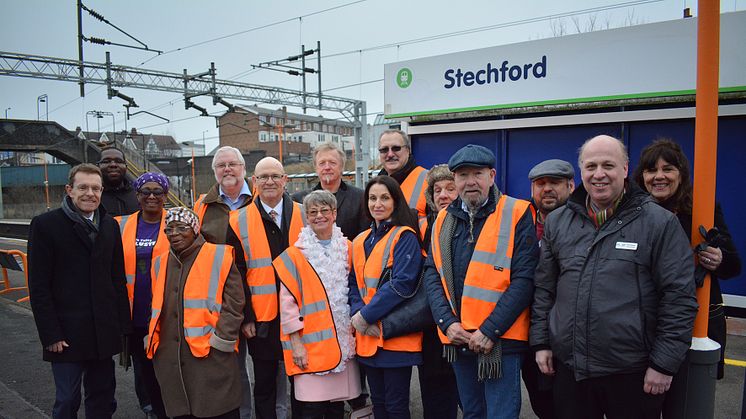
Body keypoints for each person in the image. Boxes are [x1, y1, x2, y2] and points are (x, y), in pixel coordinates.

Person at [530, 135, 698, 419]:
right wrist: (542, 342)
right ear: (581, 171)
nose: (599, 174)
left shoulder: (659, 223)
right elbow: (545, 288)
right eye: (591, 166)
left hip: (634, 373)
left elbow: (679, 297)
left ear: (624, 169)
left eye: (608, 165)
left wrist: (664, 364)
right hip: (571, 370)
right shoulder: (558, 221)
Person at [423, 145, 538, 419]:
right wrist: (446, 323)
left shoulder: (517, 212)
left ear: (492, 175)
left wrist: (489, 330)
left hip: (499, 341)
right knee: (473, 413)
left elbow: (525, 279)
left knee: (500, 414)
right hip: (459, 338)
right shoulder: (443, 219)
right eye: (463, 175)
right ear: (455, 180)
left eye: (478, 173)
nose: (470, 181)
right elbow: (432, 272)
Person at [633, 139, 741, 383]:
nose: (659, 177)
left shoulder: (702, 209)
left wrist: (719, 259)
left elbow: (734, 266)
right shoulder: (632, 213)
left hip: (696, 323)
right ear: (642, 177)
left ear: (681, 174)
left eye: (667, 169)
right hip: (644, 325)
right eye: (651, 170)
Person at [28, 163, 131, 418]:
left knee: (103, 397)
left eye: (96, 188)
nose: (90, 193)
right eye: (83, 187)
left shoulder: (109, 226)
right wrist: (50, 334)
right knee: (67, 399)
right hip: (66, 334)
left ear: (102, 191)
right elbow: (39, 287)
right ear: (69, 190)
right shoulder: (45, 226)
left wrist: (123, 327)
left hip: (102, 331)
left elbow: (117, 280)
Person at [147, 207, 245, 419]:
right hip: (171, 357)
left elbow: (235, 302)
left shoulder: (219, 255)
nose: (175, 233)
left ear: (195, 229)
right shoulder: (158, 263)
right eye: (169, 229)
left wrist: (222, 340)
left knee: (219, 410)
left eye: (181, 228)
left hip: (211, 354)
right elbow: (156, 306)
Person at [273, 190, 362, 418]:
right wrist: (296, 344)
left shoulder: (350, 249)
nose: (319, 216)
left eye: (324, 210)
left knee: (336, 408)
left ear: (334, 214)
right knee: (311, 409)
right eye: (312, 212)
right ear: (307, 217)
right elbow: (287, 304)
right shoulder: (295, 255)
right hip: (309, 348)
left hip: (344, 346)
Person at [229, 157, 305, 419]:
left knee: (304, 386)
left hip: (302, 315)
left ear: (285, 180)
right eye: (263, 177)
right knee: (264, 387)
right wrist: (246, 315)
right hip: (262, 319)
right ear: (254, 182)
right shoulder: (237, 220)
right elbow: (236, 272)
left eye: (275, 176)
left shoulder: (305, 213)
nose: (270, 181)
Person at [348, 175, 424, 419]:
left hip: (394, 338)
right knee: (378, 405)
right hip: (368, 337)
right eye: (372, 198)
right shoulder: (360, 240)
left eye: (384, 198)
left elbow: (402, 284)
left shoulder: (405, 236)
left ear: (395, 202)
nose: (377, 204)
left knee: (396, 407)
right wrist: (357, 315)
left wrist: (365, 316)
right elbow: (353, 284)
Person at [192, 145, 255, 419]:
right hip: (223, 301)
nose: (227, 169)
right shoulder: (202, 206)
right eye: (221, 165)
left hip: (263, 297)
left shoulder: (261, 199)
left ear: (243, 168)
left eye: (232, 164)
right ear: (215, 172)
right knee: (232, 366)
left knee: (271, 369)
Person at [520, 159, 575, 419]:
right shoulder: (520, 221)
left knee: (569, 406)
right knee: (542, 404)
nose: (547, 189)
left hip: (568, 335)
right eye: (540, 184)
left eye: (554, 183)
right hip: (526, 331)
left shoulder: (583, 223)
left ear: (571, 186)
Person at [115, 172, 171, 419]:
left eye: (157, 191)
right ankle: (149, 407)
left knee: (167, 364)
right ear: (137, 196)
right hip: (134, 310)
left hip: (167, 310)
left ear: (165, 196)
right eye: (145, 191)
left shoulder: (178, 221)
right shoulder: (120, 225)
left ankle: (169, 406)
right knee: (142, 365)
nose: (151, 196)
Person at [417, 164, 459, 419]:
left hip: (465, 326)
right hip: (432, 327)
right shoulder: (425, 228)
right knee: (436, 398)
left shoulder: (478, 225)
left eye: (450, 188)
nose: (443, 195)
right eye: (437, 190)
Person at [292, 142, 368, 240]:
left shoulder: (360, 198)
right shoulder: (298, 200)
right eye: (322, 163)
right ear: (316, 168)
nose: (327, 167)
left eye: (332, 163)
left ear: (342, 167)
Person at [377, 130, 428, 219]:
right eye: (384, 150)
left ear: (408, 151)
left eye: (396, 148)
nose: (390, 154)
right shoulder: (376, 184)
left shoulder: (428, 179)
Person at [98, 147, 139, 216]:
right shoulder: (92, 196)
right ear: (98, 166)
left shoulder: (138, 195)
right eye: (106, 161)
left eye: (119, 161)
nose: (113, 165)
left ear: (126, 166)